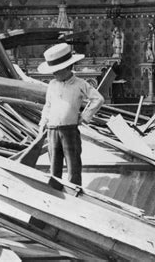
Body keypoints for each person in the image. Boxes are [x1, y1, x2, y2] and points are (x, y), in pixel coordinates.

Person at [37, 43, 105, 185]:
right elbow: (48, 105)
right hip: (52, 130)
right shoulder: (52, 85)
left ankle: (74, 191)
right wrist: (43, 123)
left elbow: (98, 99)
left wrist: (85, 117)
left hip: (70, 131)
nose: (54, 74)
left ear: (68, 67)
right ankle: (55, 191)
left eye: (57, 70)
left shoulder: (80, 84)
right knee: (54, 165)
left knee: (73, 165)